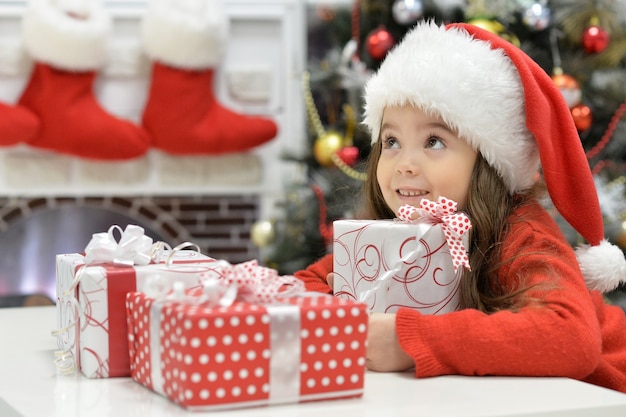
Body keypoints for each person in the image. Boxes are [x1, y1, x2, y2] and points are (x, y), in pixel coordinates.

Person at [294, 21, 626, 393]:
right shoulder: (389, 233)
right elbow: (302, 287)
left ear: (485, 160)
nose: (404, 163)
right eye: (391, 141)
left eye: (434, 141)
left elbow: (571, 336)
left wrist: (408, 341)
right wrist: (343, 310)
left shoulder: (520, 233)